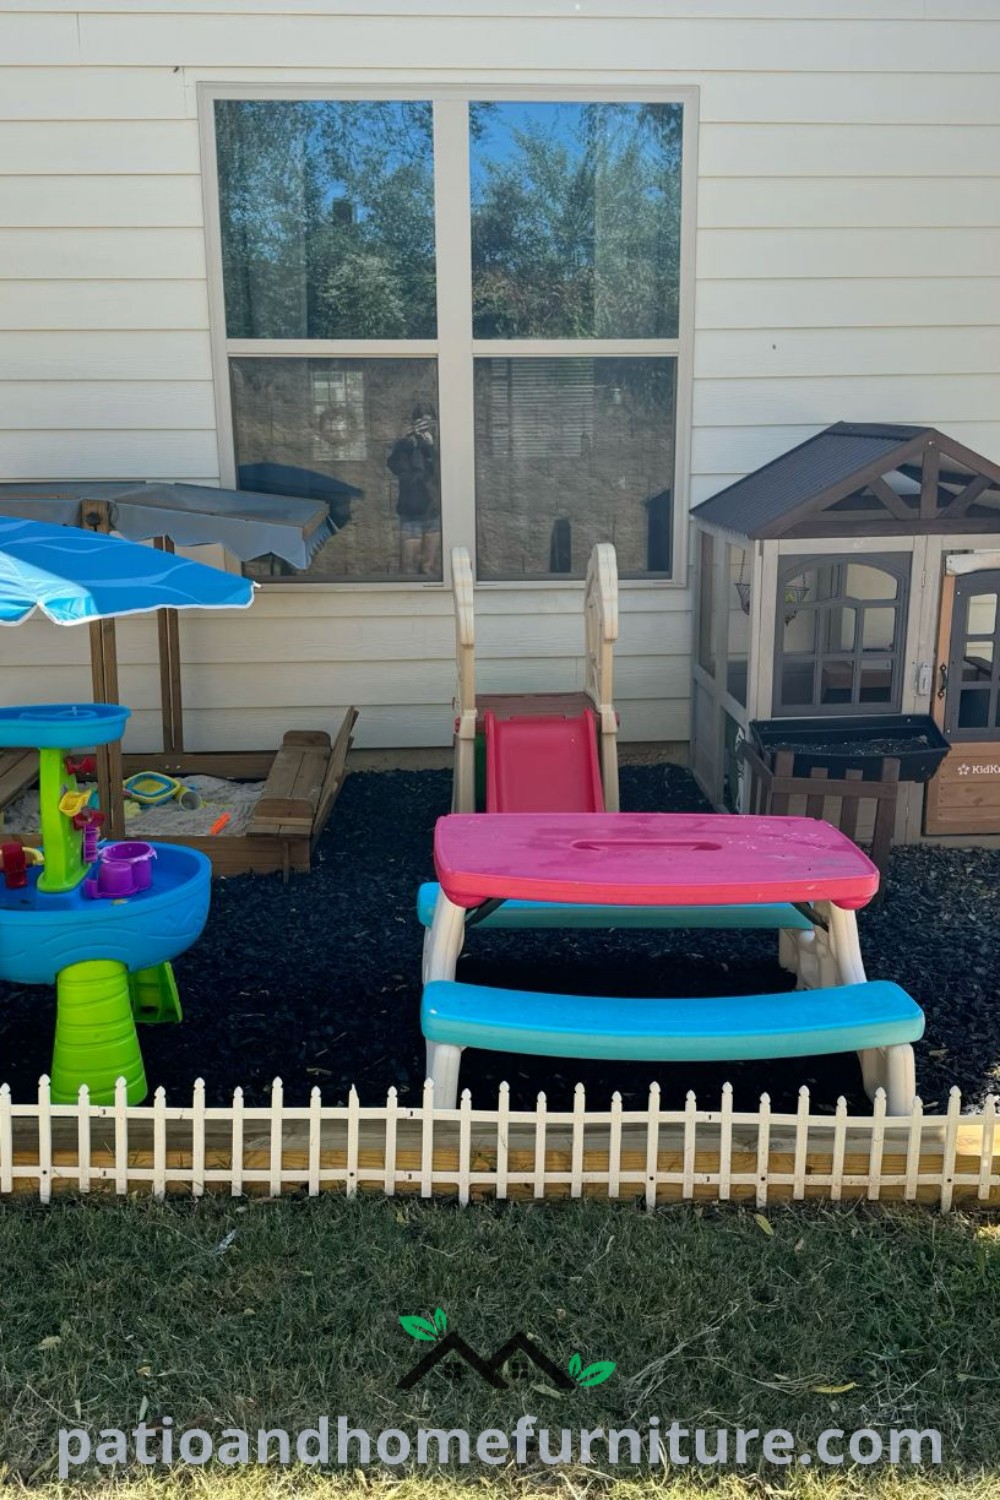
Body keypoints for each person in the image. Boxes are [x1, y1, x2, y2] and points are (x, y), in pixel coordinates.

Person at [387, 402, 440, 576]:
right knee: (408, 567)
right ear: (414, 424)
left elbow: (442, 473)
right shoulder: (407, 443)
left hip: (433, 509)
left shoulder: (439, 442)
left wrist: (431, 447)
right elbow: (396, 468)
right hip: (411, 507)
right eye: (421, 423)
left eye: (428, 423)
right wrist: (403, 443)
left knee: (429, 568)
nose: (425, 428)